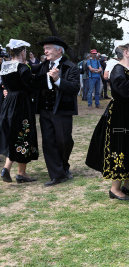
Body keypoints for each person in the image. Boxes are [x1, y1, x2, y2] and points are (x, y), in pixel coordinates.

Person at [86, 42, 129, 200]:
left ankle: (128, 184)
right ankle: (115, 188)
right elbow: (120, 89)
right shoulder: (118, 69)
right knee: (120, 147)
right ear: (125, 52)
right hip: (120, 115)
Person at [32, 36, 79, 186]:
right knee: (48, 142)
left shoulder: (70, 67)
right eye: (44, 48)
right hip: (45, 110)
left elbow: (74, 88)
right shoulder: (42, 66)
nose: (45, 51)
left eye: (48, 48)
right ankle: (57, 174)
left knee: (64, 141)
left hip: (62, 110)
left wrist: (58, 80)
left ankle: (64, 166)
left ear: (59, 50)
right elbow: (28, 76)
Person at [0, 39, 39, 183]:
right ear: (22, 51)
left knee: (14, 133)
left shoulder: (5, 66)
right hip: (21, 103)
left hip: (9, 101)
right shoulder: (22, 68)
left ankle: (10, 169)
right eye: (25, 51)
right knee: (24, 133)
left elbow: (4, 84)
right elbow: (30, 87)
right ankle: (20, 173)